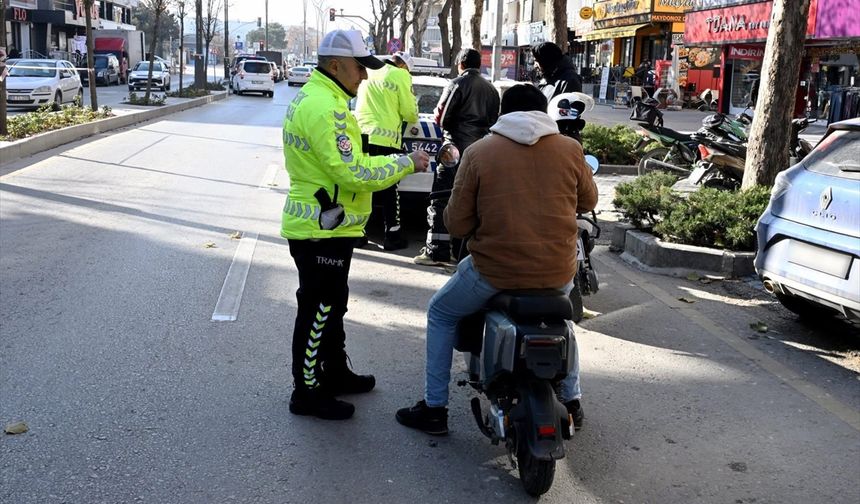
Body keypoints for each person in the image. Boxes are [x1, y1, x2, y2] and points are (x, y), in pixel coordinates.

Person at [396, 84, 598, 435]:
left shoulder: (478, 152)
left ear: (502, 114)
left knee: (441, 312)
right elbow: (588, 201)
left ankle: (434, 408)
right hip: (557, 272)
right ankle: (573, 401)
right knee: (560, 320)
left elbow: (457, 222)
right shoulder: (570, 149)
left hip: (494, 272)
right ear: (544, 114)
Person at [281, 29, 430, 421]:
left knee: (333, 303)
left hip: (329, 224)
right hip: (321, 228)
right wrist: (404, 163)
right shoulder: (325, 108)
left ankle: (334, 371)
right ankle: (307, 390)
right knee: (318, 309)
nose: (364, 76)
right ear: (335, 65)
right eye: (358, 68)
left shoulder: (324, 98)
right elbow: (353, 172)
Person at [414, 48, 500, 266]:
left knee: (441, 197)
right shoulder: (491, 90)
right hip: (480, 150)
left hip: (454, 150)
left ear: (460, 63)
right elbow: (493, 121)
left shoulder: (457, 84)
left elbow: (441, 117)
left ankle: (437, 252)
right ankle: (463, 253)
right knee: (472, 201)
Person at [355, 51, 419, 251]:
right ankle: (392, 235)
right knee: (389, 188)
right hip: (386, 140)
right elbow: (410, 112)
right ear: (403, 66)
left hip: (362, 136)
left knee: (364, 185)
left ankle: (357, 233)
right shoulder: (400, 75)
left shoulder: (369, 72)